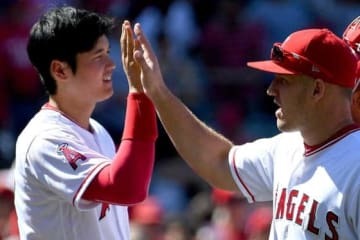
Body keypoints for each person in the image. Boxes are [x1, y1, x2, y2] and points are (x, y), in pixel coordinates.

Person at [123, 22, 360, 239]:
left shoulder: (355, 166)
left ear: (317, 90)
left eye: (284, 81)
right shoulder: (288, 147)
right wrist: (157, 92)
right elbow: (218, 162)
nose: (270, 90)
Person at [14, 6, 157, 239]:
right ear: (60, 70)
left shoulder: (98, 130)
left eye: (108, 52)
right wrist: (140, 93)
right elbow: (126, 187)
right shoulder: (44, 138)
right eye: (98, 56)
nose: (111, 64)